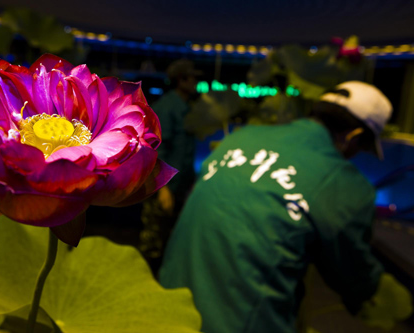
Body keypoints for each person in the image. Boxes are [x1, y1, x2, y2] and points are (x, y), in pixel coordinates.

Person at [159, 81, 412, 333]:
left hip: (164, 307)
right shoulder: (344, 183)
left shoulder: (241, 137)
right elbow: (358, 281)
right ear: (353, 137)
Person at [139, 59, 202, 265]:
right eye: (193, 77)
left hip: (177, 186)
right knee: (154, 243)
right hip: (163, 188)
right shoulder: (167, 108)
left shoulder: (185, 107)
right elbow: (156, 150)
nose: (196, 82)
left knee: (169, 242)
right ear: (181, 80)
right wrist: (163, 189)